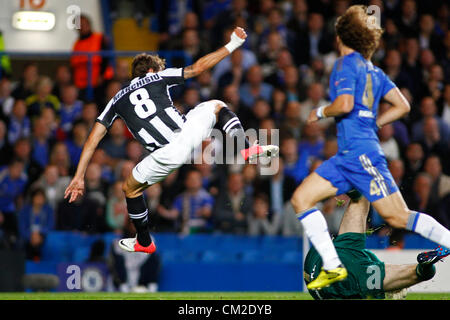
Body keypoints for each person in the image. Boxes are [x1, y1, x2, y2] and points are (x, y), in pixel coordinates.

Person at [64, 27, 279, 254]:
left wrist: (79, 177)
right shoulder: (157, 76)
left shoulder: (115, 100)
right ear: (150, 70)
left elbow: (92, 140)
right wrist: (232, 44)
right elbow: (197, 68)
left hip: (163, 155)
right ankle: (245, 147)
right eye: (160, 67)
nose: (163, 70)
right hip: (186, 134)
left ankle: (144, 241)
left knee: (129, 189)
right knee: (217, 106)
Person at [290, 5, 450, 290]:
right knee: (301, 199)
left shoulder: (343, 65)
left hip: (360, 154)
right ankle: (333, 267)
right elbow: (403, 106)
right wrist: (374, 122)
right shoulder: (375, 72)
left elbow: (345, 105)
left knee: (396, 216)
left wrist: (320, 112)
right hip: (347, 156)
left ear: (340, 37)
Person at [304, 194, 449, 300]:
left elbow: (391, 276)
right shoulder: (369, 275)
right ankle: (426, 267)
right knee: (422, 273)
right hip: (322, 271)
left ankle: (354, 179)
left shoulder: (370, 270)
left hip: (325, 255)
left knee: (361, 197)